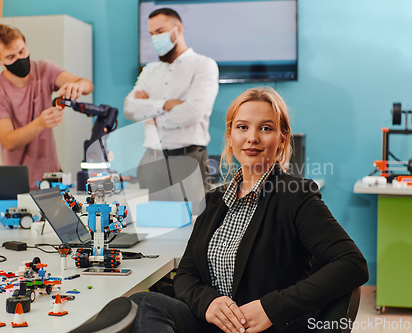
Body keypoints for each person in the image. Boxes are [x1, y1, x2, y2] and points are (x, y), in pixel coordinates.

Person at [129, 86, 368, 333]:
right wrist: (208, 302)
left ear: (282, 139)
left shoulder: (296, 195)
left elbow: (352, 263)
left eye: (265, 128)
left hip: (262, 329)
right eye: (242, 127)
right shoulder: (214, 200)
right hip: (212, 325)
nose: (252, 137)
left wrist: (271, 308)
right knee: (143, 303)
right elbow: (187, 275)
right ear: (231, 135)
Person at [124, 8, 219, 214]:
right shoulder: (150, 70)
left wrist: (151, 113)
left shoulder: (204, 65)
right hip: (152, 161)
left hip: (187, 160)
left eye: (160, 31)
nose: (155, 38)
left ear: (178, 29)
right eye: (151, 34)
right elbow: (130, 108)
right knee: (156, 229)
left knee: (196, 224)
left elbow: (193, 112)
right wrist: (165, 104)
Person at [0, 23, 94, 190]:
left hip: (53, 176)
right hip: (18, 183)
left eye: (22, 52)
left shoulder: (44, 69)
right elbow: (9, 141)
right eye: (10, 57)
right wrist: (41, 123)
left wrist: (78, 87)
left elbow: (87, 85)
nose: (20, 59)